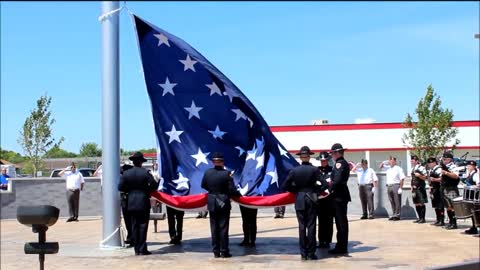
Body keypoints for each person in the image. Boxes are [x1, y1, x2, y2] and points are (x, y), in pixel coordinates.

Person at [282, 146, 324, 260]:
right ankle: (311, 253)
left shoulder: (294, 170)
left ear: (300, 157)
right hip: (312, 198)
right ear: (309, 157)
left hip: (300, 198)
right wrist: (316, 191)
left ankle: (303, 253)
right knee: (311, 226)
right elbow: (325, 184)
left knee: (301, 226)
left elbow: (285, 185)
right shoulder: (315, 170)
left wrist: (296, 191)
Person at [118, 152, 159, 256]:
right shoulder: (145, 173)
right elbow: (154, 185)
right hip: (143, 202)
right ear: (141, 162)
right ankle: (142, 248)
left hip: (131, 202)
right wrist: (146, 190)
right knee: (143, 226)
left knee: (134, 226)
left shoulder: (126, 173)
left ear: (133, 162)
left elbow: (120, 187)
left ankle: (136, 249)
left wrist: (130, 191)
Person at [201, 152, 241, 258]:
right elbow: (232, 190)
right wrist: (239, 195)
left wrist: (213, 191)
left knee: (214, 228)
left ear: (213, 162)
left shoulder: (207, 173)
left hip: (212, 201)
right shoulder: (226, 174)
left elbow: (203, 185)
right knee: (223, 228)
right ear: (222, 162)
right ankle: (224, 251)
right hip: (223, 202)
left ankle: (215, 251)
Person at [328, 143, 351, 255]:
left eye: (332, 153)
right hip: (339, 196)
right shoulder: (340, 163)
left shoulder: (339, 164)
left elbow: (336, 181)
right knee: (340, 222)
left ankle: (341, 246)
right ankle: (341, 245)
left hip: (339, 196)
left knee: (341, 222)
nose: (331, 155)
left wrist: (328, 189)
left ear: (337, 153)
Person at [316, 151, 334, 249]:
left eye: (325, 161)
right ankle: (321, 240)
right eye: (322, 161)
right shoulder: (317, 170)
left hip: (329, 199)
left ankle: (327, 240)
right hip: (320, 199)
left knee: (329, 220)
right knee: (321, 220)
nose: (323, 162)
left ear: (328, 160)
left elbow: (332, 183)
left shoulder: (332, 170)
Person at [381, 156, 405, 221]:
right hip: (389, 186)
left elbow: (402, 178)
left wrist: (400, 188)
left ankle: (397, 215)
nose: (390, 162)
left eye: (391, 161)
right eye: (389, 161)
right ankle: (394, 214)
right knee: (392, 201)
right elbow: (380, 166)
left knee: (397, 201)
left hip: (396, 186)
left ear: (395, 161)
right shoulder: (388, 168)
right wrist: (384, 162)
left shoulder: (398, 168)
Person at [440, 152, 460, 230]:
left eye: (445, 159)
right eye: (443, 159)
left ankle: (454, 223)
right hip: (445, 188)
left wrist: (446, 172)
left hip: (451, 188)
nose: (443, 160)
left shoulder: (453, 166)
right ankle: (450, 222)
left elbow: (455, 176)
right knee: (448, 207)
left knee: (452, 207)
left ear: (449, 159)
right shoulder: (443, 167)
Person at [427, 157, 445, 226]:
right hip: (433, 189)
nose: (430, 164)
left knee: (440, 206)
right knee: (435, 205)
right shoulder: (430, 170)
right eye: (429, 163)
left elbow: (442, 179)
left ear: (435, 162)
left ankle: (442, 220)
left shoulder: (439, 169)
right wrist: (430, 187)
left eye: (431, 163)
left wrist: (434, 179)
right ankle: (438, 219)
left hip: (439, 189)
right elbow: (429, 180)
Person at [410, 155, 428, 224]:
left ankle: (423, 218)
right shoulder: (412, 168)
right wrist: (411, 186)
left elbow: (425, 177)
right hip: (414, 188)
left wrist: (419, 175)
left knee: (421, 203)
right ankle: (419, 217)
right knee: (416, 203)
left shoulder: (421, 168)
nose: (412, 162)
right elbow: (412, 179)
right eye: (411, 160)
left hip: (420, 188)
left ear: (417, 161)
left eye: (413, 160)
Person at [120, 161, 134, 247]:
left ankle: (132, 237)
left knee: (130, 220)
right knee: (128, 220)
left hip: (129, 199)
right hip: (126, 199)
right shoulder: (123, 175)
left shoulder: (127, 176)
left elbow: (120, 187)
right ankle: (130, 236)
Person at [463, 160, 479, 235]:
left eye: (471, 166)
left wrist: (472, 186)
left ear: (474, 167)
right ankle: (474, 227)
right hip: (470, 197)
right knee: (472, 213)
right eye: (468, 166)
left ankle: (476, 228)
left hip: (475, 197)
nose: (469, 167)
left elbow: (478, 184)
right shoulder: (469, 174)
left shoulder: (475, 175)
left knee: (477, 213)